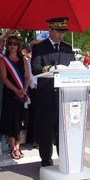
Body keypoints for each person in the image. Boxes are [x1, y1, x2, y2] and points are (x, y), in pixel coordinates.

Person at [31, 17, 75, 167]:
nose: (61, 35)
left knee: (63, 131)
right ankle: (46, 161)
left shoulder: (67, 48)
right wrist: (50, 69)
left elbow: (73, 68)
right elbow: (35, 69)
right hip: (46, 96)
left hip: (64, 97)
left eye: (63, 32)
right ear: (50, 30)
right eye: (58, 31)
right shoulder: (40, 48)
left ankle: (64, 160)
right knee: (46, 131)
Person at [0, 35, 30, 160]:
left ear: (18, 46)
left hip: (22, 93)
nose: (13, 46)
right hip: (10, 94)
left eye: (15, 44)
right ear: (7, 45)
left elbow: (27, 76)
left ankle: (18, 146)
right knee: (11, 120)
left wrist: (24, 89)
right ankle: (13, 148)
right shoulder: (4, 60)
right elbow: (4, 78)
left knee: (20, 120)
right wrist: (16, 90)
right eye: (10, 43)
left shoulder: (23, 60)